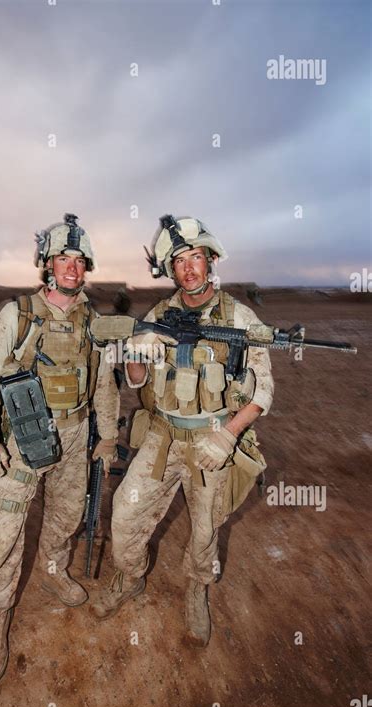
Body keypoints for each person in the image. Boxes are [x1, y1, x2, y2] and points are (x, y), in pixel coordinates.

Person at [90, 214, 274, 647]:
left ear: (210, 259)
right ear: (169, 269)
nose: (189, 268)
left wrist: (229, 434)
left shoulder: (238, 316)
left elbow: (262, 391)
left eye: (196, 257)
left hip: (213, 438)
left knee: (206, 529)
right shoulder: (159, 313)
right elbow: (136, 379)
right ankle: (131, 576)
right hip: (161, 436)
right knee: (126, 510)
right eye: (179, 261)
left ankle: (197, 589)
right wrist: (136, 351)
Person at [0, 213, 120, 683]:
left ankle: (54, 572)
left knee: (66, 514)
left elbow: (106, 384)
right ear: (46, 264)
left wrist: (109, 435)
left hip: (77, 436)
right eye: (62, 258)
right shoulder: (16, 316)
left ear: (86, 266)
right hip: (22, 438)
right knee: (3, 534)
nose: (71, 267)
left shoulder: (95, 322)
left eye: (78, 259)